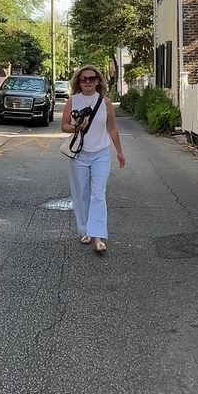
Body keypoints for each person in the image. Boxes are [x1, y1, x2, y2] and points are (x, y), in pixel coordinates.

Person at [61, 65, 125, 254]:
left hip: (101, 154)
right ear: (78, 82)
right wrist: (78, 127)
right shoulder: (73, 101)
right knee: (81, 194)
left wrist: (119, 152)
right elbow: (64, 126)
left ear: (98, 81)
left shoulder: (105, 102)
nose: (87, 82)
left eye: (91, 78)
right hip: (80, 154)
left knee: (98, 193)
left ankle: (97, 237)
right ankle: (85, 231)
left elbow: (112, 128)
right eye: (83, 79)